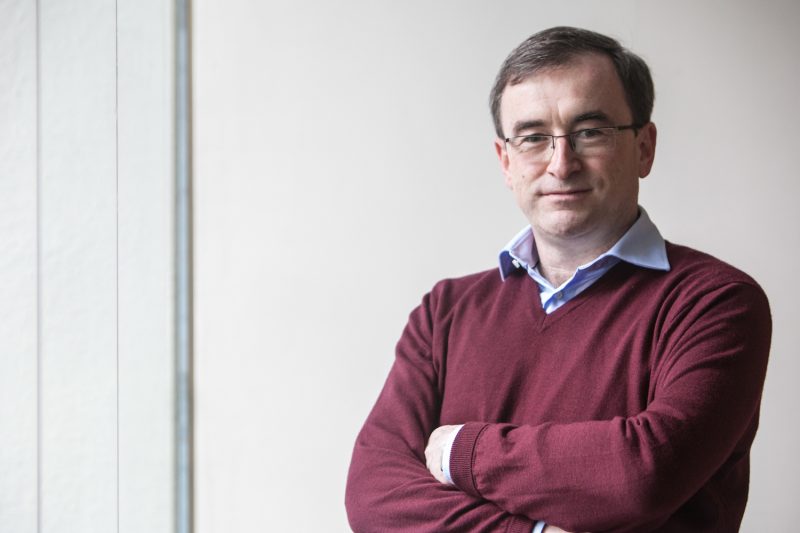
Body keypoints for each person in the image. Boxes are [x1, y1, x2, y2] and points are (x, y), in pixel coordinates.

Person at [345, 26, 771, 533]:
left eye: (590, 132)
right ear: (506, 162)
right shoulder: (445, 311)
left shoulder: (715, 302)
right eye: (533, 138)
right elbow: (373, 495)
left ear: (644, 147)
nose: (561, 164)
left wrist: (462, 452)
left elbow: (644, 474)